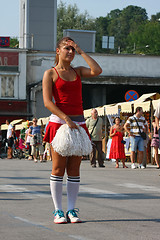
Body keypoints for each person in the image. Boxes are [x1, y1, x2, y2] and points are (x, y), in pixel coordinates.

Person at [42, 37, 102, 224]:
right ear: (58, 51)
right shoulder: (50, 73)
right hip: (60, 123)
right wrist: (66, 118)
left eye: (73, 49)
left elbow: (97, 70)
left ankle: (71, 210)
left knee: (74, 170)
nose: (70, 51)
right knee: (58, 168)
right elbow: (47, 102)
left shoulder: (78, 72)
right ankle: (58, 211)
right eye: (66, 48)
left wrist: (82, 51)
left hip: (78, 125)